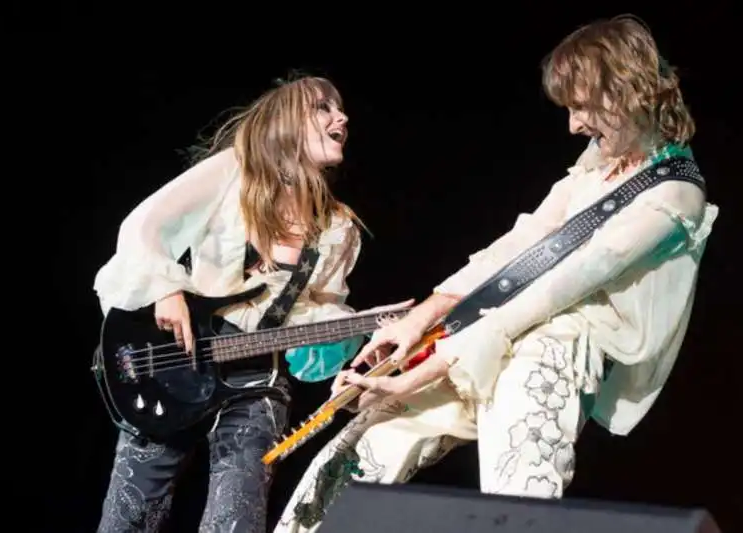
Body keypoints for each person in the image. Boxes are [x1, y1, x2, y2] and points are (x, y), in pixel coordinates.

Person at [273, 15, 719, 533]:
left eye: (581, 106)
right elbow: (522, 243)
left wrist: (417, 373)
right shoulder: (599, 160)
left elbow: (554, 290)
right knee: (363, 443)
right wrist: (420, 319)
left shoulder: (675, 196)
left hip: (555, 341)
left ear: (624, 89)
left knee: (517, 485)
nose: (574, 125)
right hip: (494, 332)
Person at [93, 75, 402, 533]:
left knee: (235, 521)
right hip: (177, 365)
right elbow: (143, 225)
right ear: (285, 119)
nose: (342, 117)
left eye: (341, 110)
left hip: (259, 381)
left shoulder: (339, 227)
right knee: (130, 515)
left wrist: (358, 328)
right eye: (323, 108)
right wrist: (166, 290)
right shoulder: (232, 170)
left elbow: (315, 326)